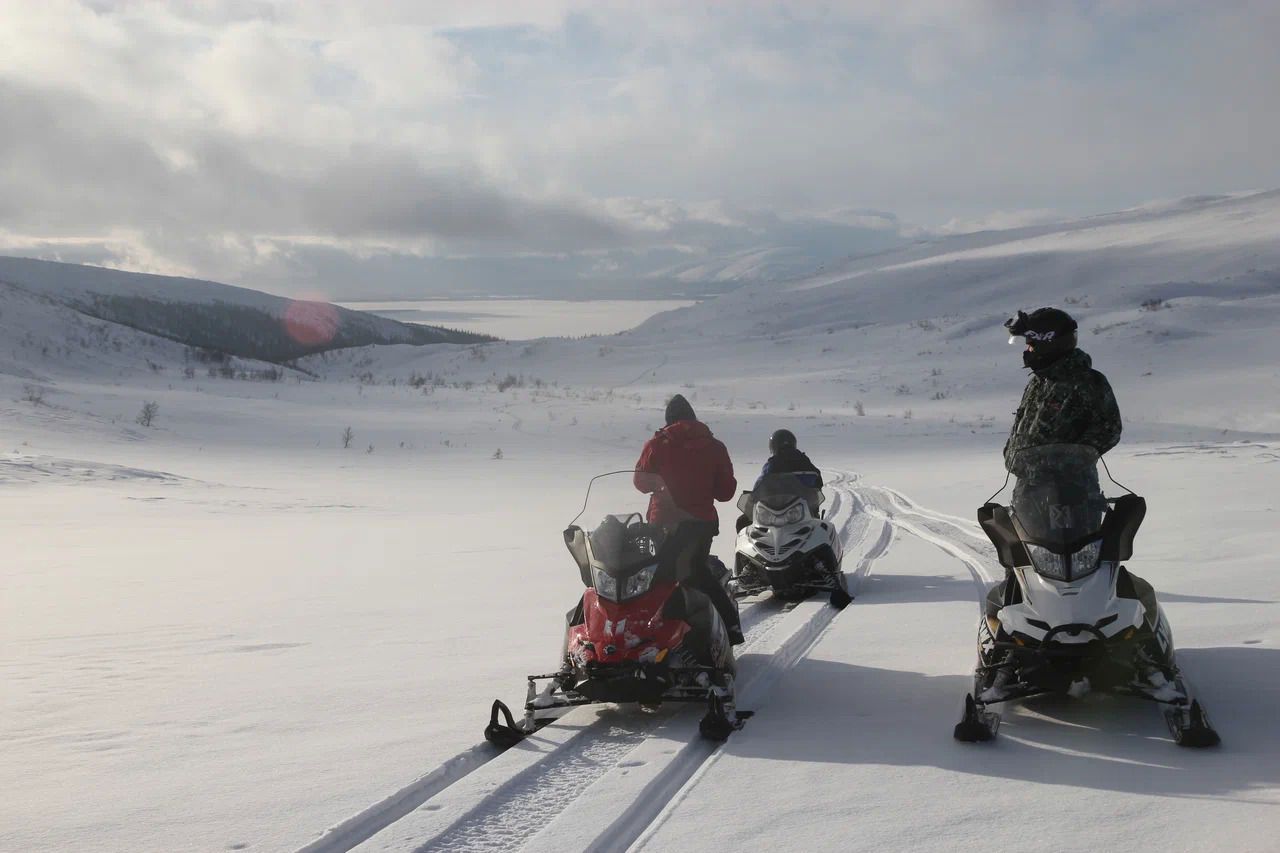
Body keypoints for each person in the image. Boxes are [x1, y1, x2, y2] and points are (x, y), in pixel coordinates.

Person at [633, 394, 743, 644]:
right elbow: (726, 493)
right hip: (700, 524)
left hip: (663, 524)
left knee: (657, 577)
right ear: (693, 417)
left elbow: (639, 482)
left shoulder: (656, 444)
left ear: (669, 420)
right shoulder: (715, 447)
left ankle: (649, 633)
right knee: (697, 572)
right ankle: (730, 625)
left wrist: (663, 487)